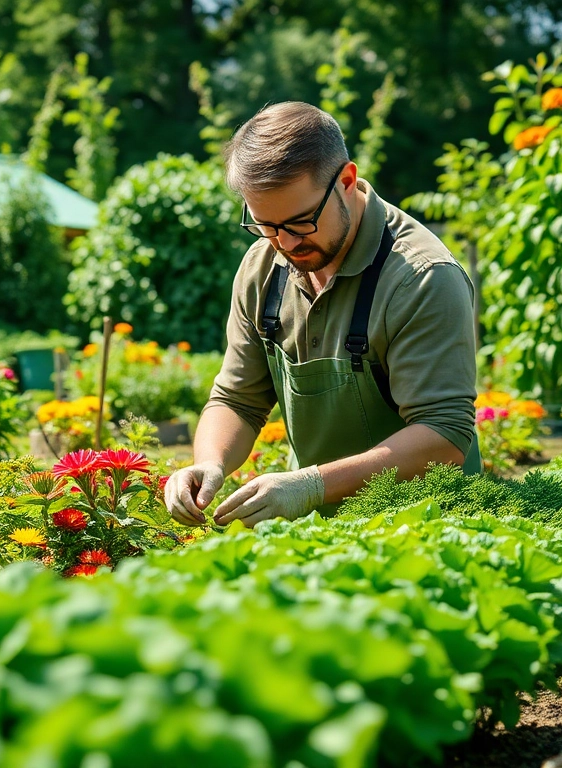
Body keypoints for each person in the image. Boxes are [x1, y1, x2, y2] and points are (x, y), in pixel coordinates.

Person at [165, 101, 480, 529]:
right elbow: (237, 399)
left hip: (427, 527)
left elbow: (444, 437)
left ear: (347, 180)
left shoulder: (421, 278)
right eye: (265, 225)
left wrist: (309, 485)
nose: (285, 243)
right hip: (315, 532)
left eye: (300, 221)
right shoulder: (263, 267)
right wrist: (208, 463)